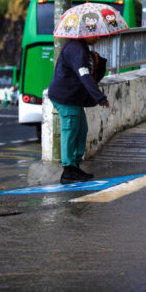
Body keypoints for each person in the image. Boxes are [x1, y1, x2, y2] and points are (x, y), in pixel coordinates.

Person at [48, 35, 109, 184]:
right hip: (65, 97)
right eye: (94, 34)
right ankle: (68, 170)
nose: (97, 37)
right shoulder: (75, 49)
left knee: (81, 130)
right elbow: (85, 76)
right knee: (70, 131)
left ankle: (74, 166)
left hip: (73, 98)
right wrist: (100, 97)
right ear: (84, 33)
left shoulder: (82, 47)